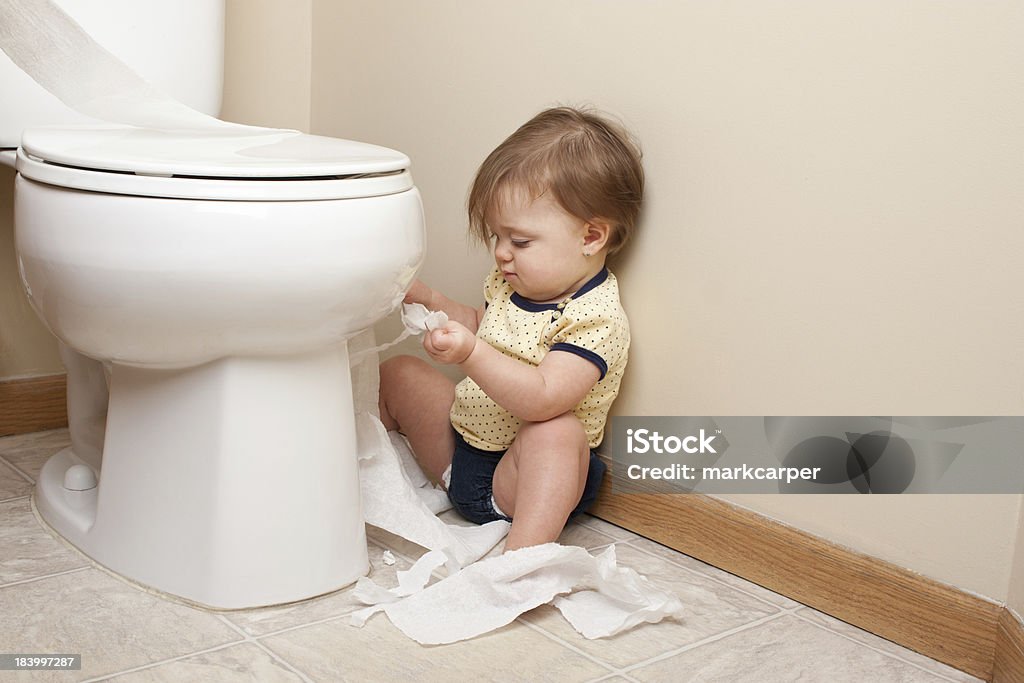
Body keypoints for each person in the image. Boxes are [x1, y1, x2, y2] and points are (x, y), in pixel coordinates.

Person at [379, 106, 643, 550]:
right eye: (496, 237)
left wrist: (469, 355)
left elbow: (542, 397)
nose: (502, 253)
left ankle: (522, 559)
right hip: (463, 454)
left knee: (558, 433)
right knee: (398, 372)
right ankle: (364, 480)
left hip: (518, 483)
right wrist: (433, 303)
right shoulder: (511, 280)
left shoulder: (594, 318)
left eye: (519, 241)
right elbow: (489, 328)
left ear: (591, 238)